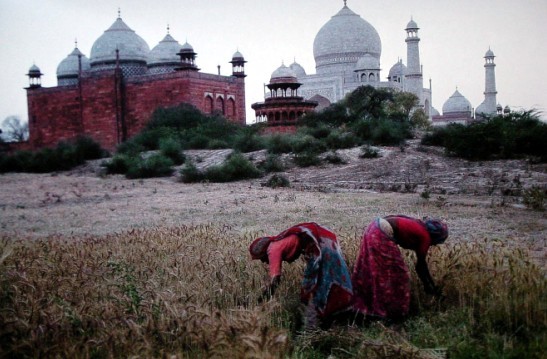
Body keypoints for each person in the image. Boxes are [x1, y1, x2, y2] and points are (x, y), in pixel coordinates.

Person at [249, 222, 353, 327]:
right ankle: (338, 314)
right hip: (325, 240)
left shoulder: (272, 249)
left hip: (318, 245)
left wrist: (262, 300)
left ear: (263, 252)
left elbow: (275, 278)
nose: (262, 262)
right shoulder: (277, 242)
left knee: (311, 288)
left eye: (261, 258)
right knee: (329, 279)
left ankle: (312, 325)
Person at [351, 215, 448, 320]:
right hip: (381, 233)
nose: (433, 245)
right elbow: (421, 266)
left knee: (373, 270)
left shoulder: (419, 225)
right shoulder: (425, 237)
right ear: (436, 237)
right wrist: (430, 286)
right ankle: (392, 313)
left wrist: (429, 285)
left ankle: (363, 306)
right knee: (399, 275)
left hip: (374, 227)